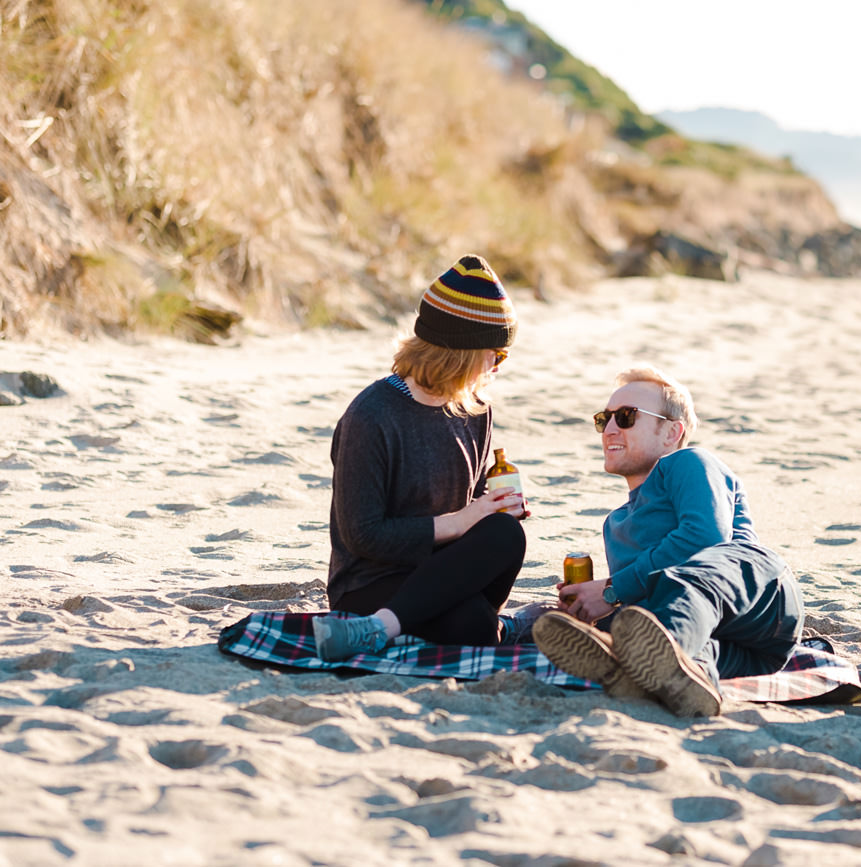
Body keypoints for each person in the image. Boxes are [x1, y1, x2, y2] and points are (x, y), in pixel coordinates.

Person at [533, 367, 804, 716]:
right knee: (646, 619)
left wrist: (612, 590)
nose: (610, 428)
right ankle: (678, 676)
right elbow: (643, 603)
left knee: (691, 577)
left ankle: (642, 657)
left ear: (672, 432)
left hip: (761, 604)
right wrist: (593, 611)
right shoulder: (615, 523)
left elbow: (706, 538)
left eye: (626, 416)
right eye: (604, 419)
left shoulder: (687, 462)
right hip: (734, 651)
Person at [312, 254, 528, 661]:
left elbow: (469, 506)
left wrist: (493, 507)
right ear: (461, 352)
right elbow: (364, 535)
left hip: (442, 571)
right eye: (495, 355)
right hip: (368, 582)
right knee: (473, 627)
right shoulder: (371, 416)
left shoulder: (475, 410)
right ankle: (377, 626)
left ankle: (386, 629)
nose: (497, 368)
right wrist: (463, 520)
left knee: (506, 535)